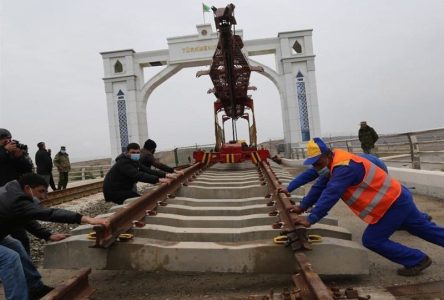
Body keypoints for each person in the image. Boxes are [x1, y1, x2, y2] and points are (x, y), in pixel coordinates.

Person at [286, 137, 444, 276]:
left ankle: (417, 260)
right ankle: (417, 259)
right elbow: (320, 187)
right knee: (424, 228)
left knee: (372, 240)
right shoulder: (335, 163)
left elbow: (331, 193)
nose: (317, 167)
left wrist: (311, 218)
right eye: (314, 164)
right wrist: (303, 207)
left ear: (327, 155)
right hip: (398, 198)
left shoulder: (344, 167)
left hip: (391, 204)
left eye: (318, 162)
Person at [0, 173, 109, 299]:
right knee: (10, 258)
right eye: (40, 191)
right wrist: (85, 218)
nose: (42, 196)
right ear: (27, 188)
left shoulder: (13, 192)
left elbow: (26, 218)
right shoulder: (15, 200)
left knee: (16, 245)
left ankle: (35, 289)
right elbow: (49, 213)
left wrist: (47, 235)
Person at [103, 143, 173, 205]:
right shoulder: (123, 162)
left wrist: (166, 175)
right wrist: (158, 180)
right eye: (133, 152)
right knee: (139, 203)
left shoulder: (134, 161)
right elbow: (138, 175)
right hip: (114, 191)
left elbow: (147, 170)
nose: (135, 154)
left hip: (123, 188)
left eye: (137, 152)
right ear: (127, 153)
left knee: (138, 201)